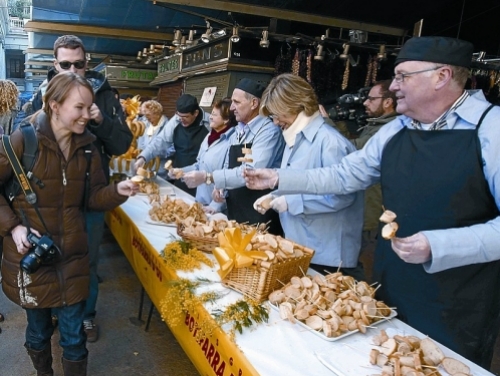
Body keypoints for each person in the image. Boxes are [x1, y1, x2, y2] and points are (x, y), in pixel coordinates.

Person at [244, 36, 500, 369]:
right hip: (392, 277)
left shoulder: (490, 128)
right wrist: (280, 179)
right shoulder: (396, 130)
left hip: (461, 296)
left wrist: (438, 245)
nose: (394, 86)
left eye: (403, 76)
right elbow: (343, 176)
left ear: (442, 77)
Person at [0, 71, 139, 376]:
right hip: (33, 259)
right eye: (80, 107)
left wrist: (118, 191)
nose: (87, 115)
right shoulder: (23, 140)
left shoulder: (89, 148)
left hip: (72, 258)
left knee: (74, 339)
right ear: (54, 105)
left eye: (89, 107)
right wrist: (13, 226)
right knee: (38, 332)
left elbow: (92, 199)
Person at [30, 35, 133, 342]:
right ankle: (53, 309)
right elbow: (28, 141)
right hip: (48, 194)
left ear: (87, 62)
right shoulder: (42, 95)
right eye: (65, 64)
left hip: (91, 192)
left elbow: (123, 144)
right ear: (54, 64)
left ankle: (85, 315)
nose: (73, 70)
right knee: (49, 254)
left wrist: (101, 122)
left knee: (85, 259)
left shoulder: (103, 94)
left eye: (79, 63)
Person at [253, 74, 364, 279]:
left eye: (278, 115)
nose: (276, 122)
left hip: (328, 256)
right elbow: (297, 182)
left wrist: (290, 202)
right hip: (302, 246)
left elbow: (343, 196)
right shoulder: (294, 139)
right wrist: (275, 196)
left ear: (297, 105)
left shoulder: (331, 142)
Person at [206, 78, 285, 235]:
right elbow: (230, 165)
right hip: (236, 211)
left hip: (259, 213)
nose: (232, 107)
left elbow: (251, 170)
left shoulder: (269, 131)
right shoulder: (238, 130)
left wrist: (210, 177)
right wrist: (221, 187)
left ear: (254, 103)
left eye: (237, 102)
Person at [134, 94, 210, 195]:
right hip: (179, 175)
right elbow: (160, 141)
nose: (181, 119)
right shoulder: (176, 120)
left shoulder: (209, 123)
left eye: (185, 117)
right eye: (179, 116)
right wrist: (143, 158)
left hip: (201, 179)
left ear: (195, 113)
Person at [173, 97, 236, 214]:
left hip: (216, 208)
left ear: (226, 120)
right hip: (200, 201)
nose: (210, 117)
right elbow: (198, 166)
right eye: (211, 113)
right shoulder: (209, 136)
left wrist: (215, 206)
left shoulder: (232, 141)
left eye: (215, 115)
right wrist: (180, 172)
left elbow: (229, 174)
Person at [136, 100, 170, 178]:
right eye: (145, 115)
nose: (146, 118)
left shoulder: (168, 127)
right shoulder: (145, 124)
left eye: (148, 115)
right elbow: (140, 142)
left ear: (157, 114)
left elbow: (172, 148)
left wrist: (158, 152)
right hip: (144, 168)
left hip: (160, 170)